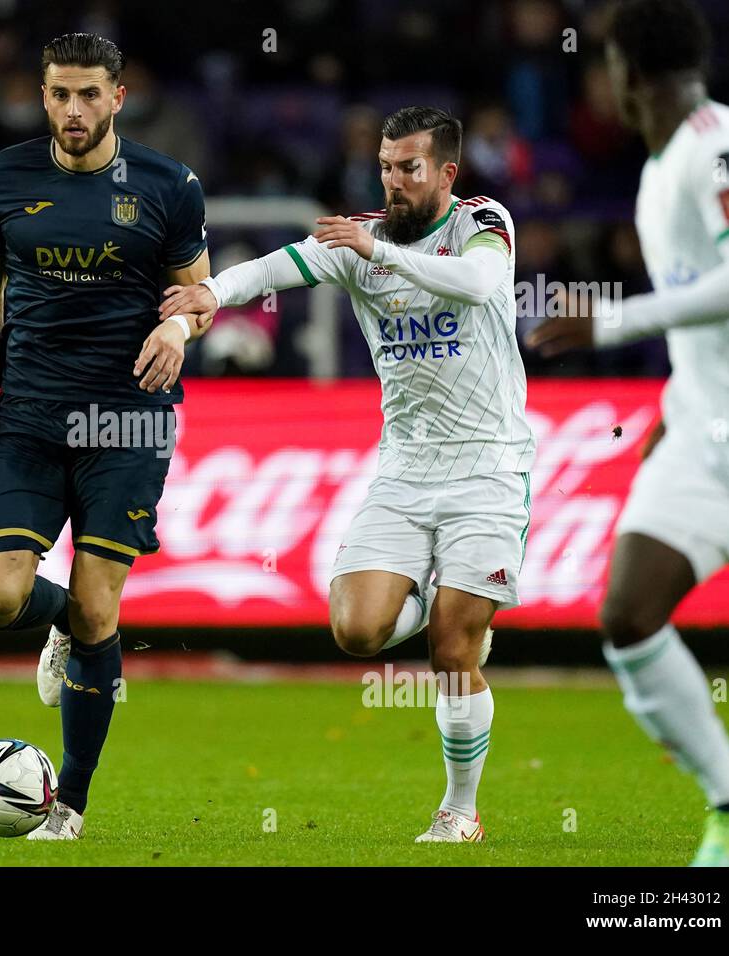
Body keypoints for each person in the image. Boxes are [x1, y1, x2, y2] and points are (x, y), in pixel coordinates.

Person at [161, 106, 535, 843]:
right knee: (356, 631)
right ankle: (438, 595)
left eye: (410, 169)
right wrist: (211, 294)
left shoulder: (483, 221)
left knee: (453, 648)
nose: (394, 181)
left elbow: (477, 283)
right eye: (387, 167)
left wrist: (380, 252)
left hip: (489, 467)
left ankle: (459, 810)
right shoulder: (357, 238)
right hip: (403, 469)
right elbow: (280, 267)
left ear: (447, 174)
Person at [0, 33, 211, 840]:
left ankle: (72, 805)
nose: (73, 110)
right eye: (60, 94)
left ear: (118, 97)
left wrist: (181, 335)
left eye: (90, 94)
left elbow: (200, 297)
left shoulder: (169, 186)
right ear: (43, 95)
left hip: (127, 421)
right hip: (28, 415)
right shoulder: (1, 178)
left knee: (100, 613)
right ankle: (71, 628)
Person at [526, 0, 729, 866]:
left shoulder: (723, 146)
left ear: (629, 72)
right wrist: (674, 405)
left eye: (606, 65)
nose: (601, 82)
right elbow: (714, 314)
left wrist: (617, 322)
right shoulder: (659, 165)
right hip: (711, 434)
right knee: (629, 614)